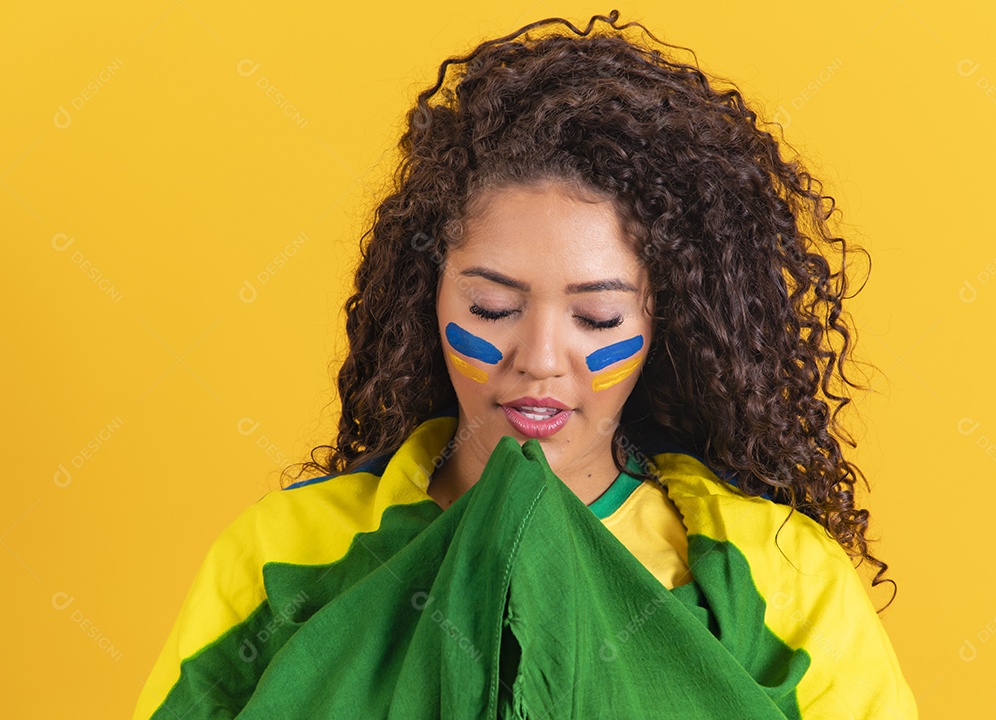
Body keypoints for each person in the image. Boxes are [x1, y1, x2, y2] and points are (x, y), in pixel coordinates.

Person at [133, 9, 918, 719]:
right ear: (428, 295)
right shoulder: (282, 554)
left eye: (597, 317)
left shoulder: (781, 578)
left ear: (665, 321)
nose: (539, 361)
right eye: (492, 308)